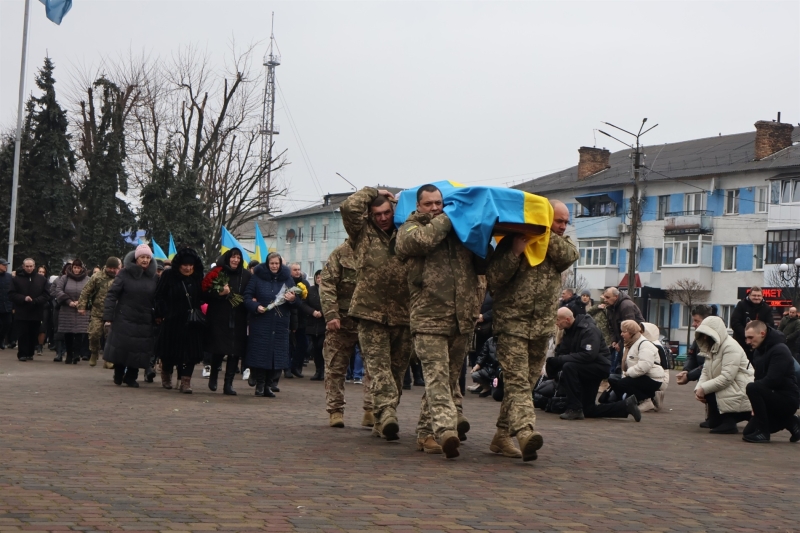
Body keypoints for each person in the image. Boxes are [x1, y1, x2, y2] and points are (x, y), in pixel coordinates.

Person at [395, 183, 484, 458]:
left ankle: (425, 434)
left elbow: (481, 263)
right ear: (418, 206)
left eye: (439, 203)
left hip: (460, 320)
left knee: (445, 381)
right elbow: (420, 242)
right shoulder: (409, 229)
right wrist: (448, 217)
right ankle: (446, 430)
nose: (435, 208)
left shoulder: (458, 230)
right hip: (429, 318)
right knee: (435, 377)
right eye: (429, 204)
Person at [486, 200, 579, 461]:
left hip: (540, 328)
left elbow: (569, 256)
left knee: (525, 385)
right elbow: (494, 278)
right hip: (512, 324)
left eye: (565, 222)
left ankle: (501, 436)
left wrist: (543, 234)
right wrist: (515, 253)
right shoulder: (512, 242)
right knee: (516, 382)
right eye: (557, 221)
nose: (562, 226)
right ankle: (525, 431)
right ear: (544, 217)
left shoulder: (561, 245)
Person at [341, 187, 412, 442]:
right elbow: (349, 208)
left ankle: (384, 417)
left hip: (403, 313)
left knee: (396, 371)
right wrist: (372, 191)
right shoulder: (362, 233)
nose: (383, 218)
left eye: (386, 212)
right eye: (377, 214)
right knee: (379, 368)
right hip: (370, 311)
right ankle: (388, 412)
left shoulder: (406, 232)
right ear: (370, 215)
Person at [546, 308, 641, 422]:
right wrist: (553, 363)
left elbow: (588, 355)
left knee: (569, 367)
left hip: (598, 366)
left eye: (557, 320)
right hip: (586, 367)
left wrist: (561, 360)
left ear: (567, 319)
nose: (556, 323)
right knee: (588, 409)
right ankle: (625, 406)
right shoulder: (569, 331)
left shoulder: (589, 330)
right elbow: (564, 353)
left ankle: (574, 408)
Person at [320, 241, 374, 427]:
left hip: (370, 319)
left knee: (375, 367)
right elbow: (327, 284)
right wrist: (331, 314)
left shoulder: (377, 249)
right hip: (342, 321)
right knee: (335, 366)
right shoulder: (340, 253)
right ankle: (335, 410)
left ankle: (371, 409)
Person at [102, 247, 158, 387]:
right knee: (123, 347)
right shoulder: (124, 273)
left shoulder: (154, 277)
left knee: (139, 349)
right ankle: (119, 373)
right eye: (142, 257)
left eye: (147, 257)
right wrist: (108, 315)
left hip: (145, 318)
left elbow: (158, 298)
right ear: (136, 258)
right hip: (125, 316)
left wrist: (159, 314)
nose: (145, 260)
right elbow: (112, 294)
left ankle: (131, 377)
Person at [244, 252, 296, 397]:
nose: (274, 266)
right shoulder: (257, 278)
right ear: (267, 264)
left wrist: (292, 299)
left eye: (277, 264)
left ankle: (269, 385)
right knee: (261, 354)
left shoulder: (287, 279)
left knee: (276, 356)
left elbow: (296, 302)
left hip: (280, 324)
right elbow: (247, 297)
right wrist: (256, 306)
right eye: (272, 263)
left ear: (280, 265)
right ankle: (259, 385)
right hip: (261, 322)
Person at [155, 248, 205, 393]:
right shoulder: (169, 275)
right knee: (169, 352)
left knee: (190, 353)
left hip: (192, 321)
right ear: (179, 264)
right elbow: (159, 296)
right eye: (185, 265)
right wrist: (161, 313)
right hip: (172, 319)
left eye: (191, 265)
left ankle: (185, 382)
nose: (188, 268)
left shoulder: (197, 276)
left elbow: (202, 296)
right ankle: (166, 375)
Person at [202, 247, 251, 395]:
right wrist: (220, 293)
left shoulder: (246, 275)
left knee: (234, 351)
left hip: (238, 317)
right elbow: (205, 295)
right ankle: (214, 377)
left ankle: (228, 384)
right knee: (219, 348)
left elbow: (249, 293)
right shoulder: (218, 272)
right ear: (228, 258)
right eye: (233, 257)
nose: (235, 260)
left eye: (238, 257)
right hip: (219, 316)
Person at [741, 321, 800, 443]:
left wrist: (757, 397)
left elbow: (773, 379)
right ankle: (792, 422)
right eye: (746, 338)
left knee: (752, 387)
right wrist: (756, 407)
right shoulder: (758, 351)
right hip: (772, 395)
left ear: (762, 333)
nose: (747, 342)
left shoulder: (780, 350)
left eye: (750, 337)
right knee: (748, 432)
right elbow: (759, 378)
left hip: (787, 398)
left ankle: (764, 432)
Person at [694, 316, 754, 434]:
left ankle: (729, 422)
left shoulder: (730, 347)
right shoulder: (713, 346)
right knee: (707, 389)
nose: (705, 337)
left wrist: (704, 388)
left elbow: (727, 378)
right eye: (703, 334)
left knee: (711, 390)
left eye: (707, 334)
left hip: (740, 387)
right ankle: (718, 419)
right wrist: (699, 389)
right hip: (733, 387)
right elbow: (706, 371)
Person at [609, 320, 667, 410]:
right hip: (639, 376)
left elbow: (644, 366)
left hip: (652, 378)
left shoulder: (644, 344)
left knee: (623, 383)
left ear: (632, 333)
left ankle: (646, 400)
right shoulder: (629, 344)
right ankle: (625, 402)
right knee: (612, 379)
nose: (621, 334)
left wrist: (627, 374)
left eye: (624, 332)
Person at [78, 257, 120, 367]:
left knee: (111, 336)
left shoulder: (120, 278)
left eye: (114, 268)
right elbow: (86, 291)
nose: (112, 270)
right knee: (94, 334)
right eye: (110, 268)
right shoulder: (97, 277)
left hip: (114, 312)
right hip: (97, 311)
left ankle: (108, 358)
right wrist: (81, 306)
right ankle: (94, 352)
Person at [9, 258, 50, 361]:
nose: (29, 268)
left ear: (34, 266)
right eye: (27, 266)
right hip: (22, 311)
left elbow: (46, 294)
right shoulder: (16, 279)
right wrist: (23, 298)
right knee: (22, 333)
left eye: (31, 266)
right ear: (23, 267)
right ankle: (22, 354)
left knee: (33, 333)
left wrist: (36, 300)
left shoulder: (41, 279)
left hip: (36, 311)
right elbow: (11, 294)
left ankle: (30, 353)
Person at [53, 259, 91, 364]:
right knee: (68, 333)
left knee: (79, 333)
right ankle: (69, 354)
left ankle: (76, 354)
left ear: (82, 268)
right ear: (72, 267)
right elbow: (58, 290)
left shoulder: (88, 279)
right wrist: (69, 301)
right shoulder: (65, 278)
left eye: (78, 268)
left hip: (81, 309)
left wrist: (81, 302)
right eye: (75, 267)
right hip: (67, 309)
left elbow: (91, 292)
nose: (76, 270)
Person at [602, 287, 644, 375]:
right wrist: (614, 340)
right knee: (615, 367)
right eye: (604, 297)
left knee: (625, 366)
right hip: (622, 339)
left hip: (634, 340)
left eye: (608, 297)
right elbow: (612, 326)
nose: (605, 300)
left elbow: (630, 328)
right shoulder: (611, 307)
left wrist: (620, 343)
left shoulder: (626, 305)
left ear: (616, 297)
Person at [730, 286, 773, 360]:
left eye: (759, 296)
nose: (756, 297)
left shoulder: (767, 308)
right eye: (754, 295)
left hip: (759, 346)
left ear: (762, 296)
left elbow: (770, 325)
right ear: (749, 296)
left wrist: (758, 335)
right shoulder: (741, 305)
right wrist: (747, 335)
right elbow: (734, 322)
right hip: (741, 344)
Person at [298, 270, 326, 381]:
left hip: (324, 324)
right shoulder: (311, 290)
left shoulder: (329, 290)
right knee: (315, 348)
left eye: (321, 277)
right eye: (317, 277)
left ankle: (323, 371)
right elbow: (303, 304)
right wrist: (312, 311)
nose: (319, 279)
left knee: (321, 346)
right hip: (312, 323)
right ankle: (318, 370)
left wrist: (322, 313)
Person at [288, 262, 310, 378]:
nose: (297, 271)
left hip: (302, 318)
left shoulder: (305, 283)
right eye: (295, 269)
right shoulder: (288, 282)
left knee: (303, 344)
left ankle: (295, 366)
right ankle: (288, 368)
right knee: (289, 345)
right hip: (290, 318)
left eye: (299, 269)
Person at [0, 258, 12, 351]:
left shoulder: (9, 277)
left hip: (7, 305)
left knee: (7, 323)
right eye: (4, 265)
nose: (6, 266)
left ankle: (1, 339)